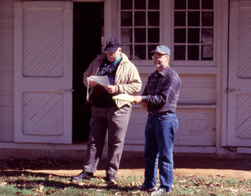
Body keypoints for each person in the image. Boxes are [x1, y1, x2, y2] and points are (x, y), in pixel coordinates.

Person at [71, 38, 142, 185]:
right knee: (93, 141)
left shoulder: (128, 66)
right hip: (98, 107)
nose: (110, 55)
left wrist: (117, 88)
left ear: (120, 51)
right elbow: (86, 77)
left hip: (118, 109)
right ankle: (88, 171)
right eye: (108, 52)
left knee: (115, 142)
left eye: (113, 53)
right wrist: (90, 82)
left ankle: (111, 174)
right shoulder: (97, 61)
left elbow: (136, 86)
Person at [133, 45, 181, 195]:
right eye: (154, 56)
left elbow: (163, 99)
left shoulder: (172, 76)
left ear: (167, 58)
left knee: (165, 155)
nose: (156, 59)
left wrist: (142, 99)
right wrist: (137, 99)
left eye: (159, 56)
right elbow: (146, 97)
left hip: (166, 119)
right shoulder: (152, 76)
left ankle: (166, 187)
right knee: (149, 154)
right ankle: (149, 184)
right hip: (152, 119)